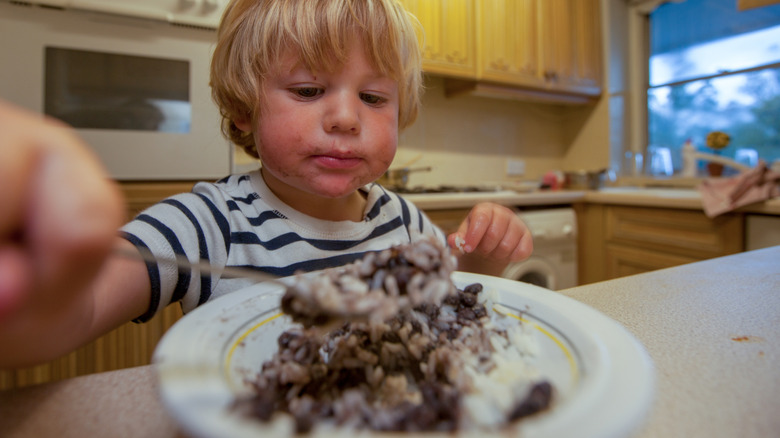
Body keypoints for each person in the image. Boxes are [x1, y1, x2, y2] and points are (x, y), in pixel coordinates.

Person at [0, 0, 532, 369]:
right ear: (243, 110)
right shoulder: (206, 223)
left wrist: (483, 258)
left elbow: (452, 298)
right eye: (307, 89)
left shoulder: (405, 221)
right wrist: (36, 288)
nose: (347, 117)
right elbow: (83, 305)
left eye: (373, 98)